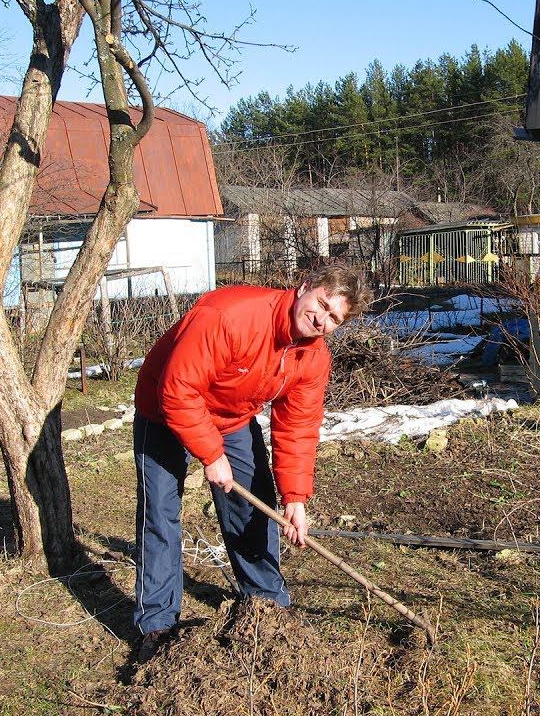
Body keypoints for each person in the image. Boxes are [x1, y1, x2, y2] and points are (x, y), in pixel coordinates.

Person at [130, 265, 371, 662]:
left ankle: (265, 608)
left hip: (231, 418)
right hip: (162, 406)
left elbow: (297, 426)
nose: (321, 320)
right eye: (322, 305)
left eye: (334, 318)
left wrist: (295, 497)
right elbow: (179, 388)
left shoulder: (312, 357)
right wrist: (211, 454)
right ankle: (156, 624)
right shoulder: (230, 315)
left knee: (254, 504)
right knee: (160, 513)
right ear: (304, 288)